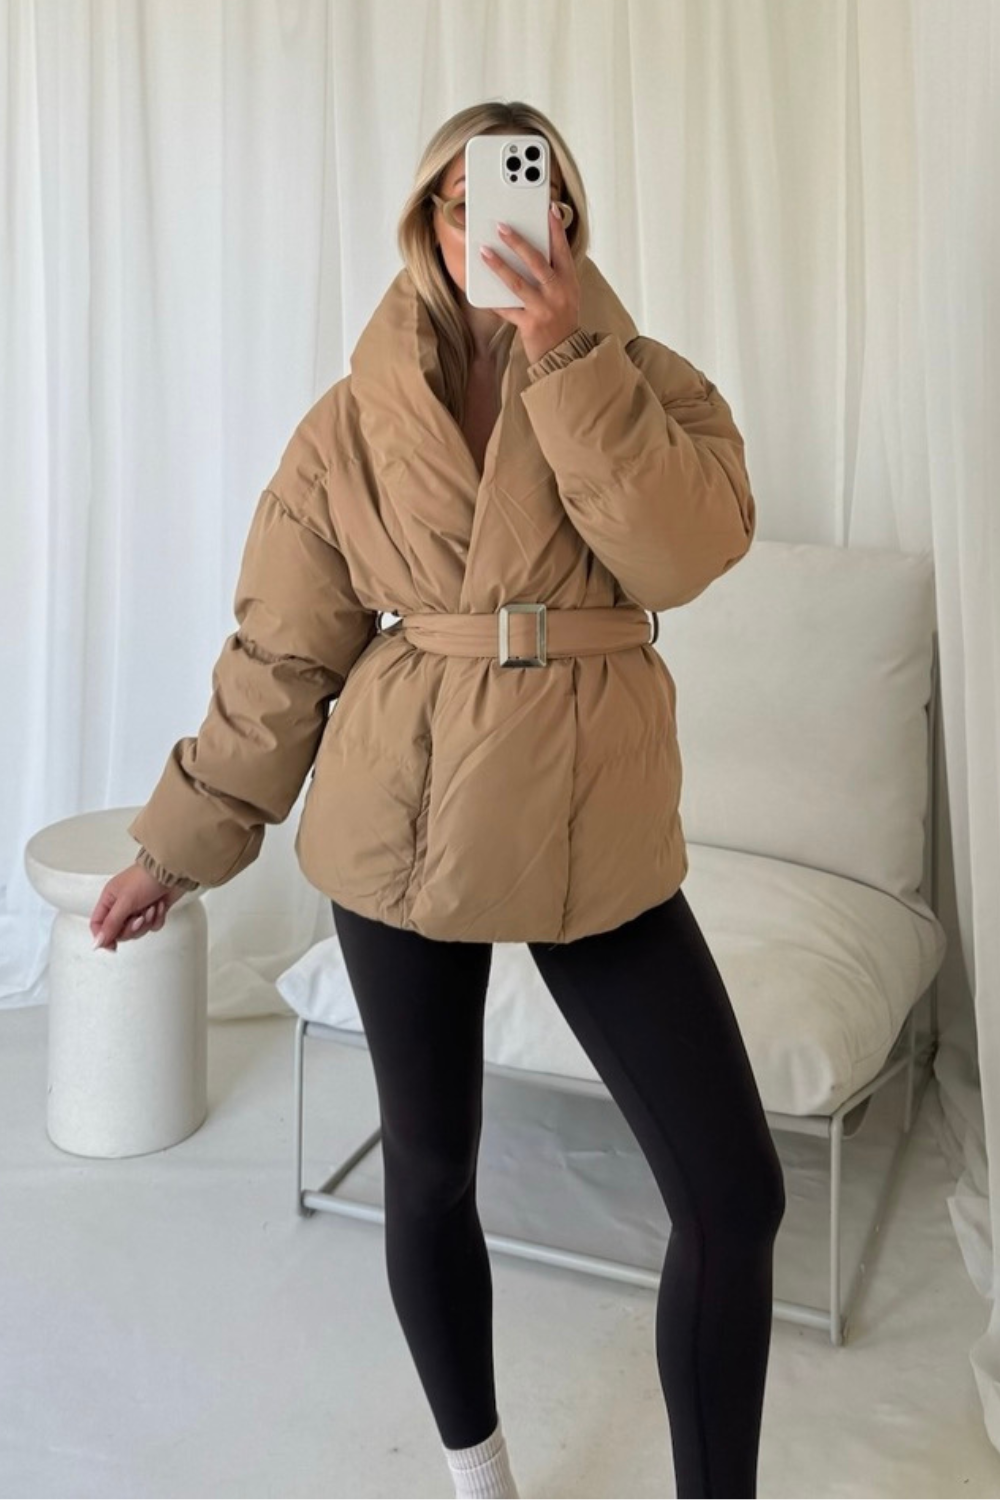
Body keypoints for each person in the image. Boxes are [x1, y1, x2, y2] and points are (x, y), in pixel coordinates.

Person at [90, 100, 784, 1499]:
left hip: (594, 811)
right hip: (400, 815)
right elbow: (285, 656)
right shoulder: (350, 424)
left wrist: (568, 359)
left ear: (571, 225)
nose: (509, 222)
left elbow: (683, 553)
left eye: (538, 198)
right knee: (431, 1167)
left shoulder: (651, 384)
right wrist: (181, 844)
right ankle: (479, 1473)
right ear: (430, 224)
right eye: (473, 202)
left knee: (734, 1193)